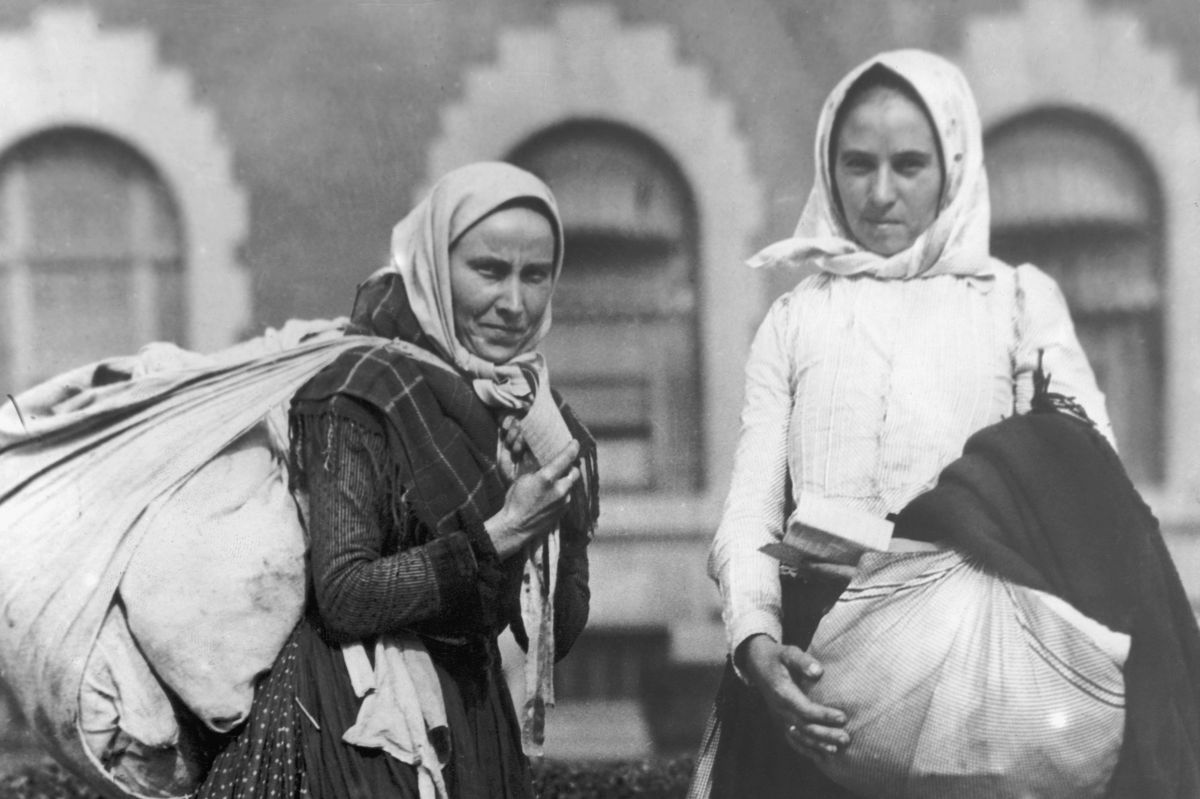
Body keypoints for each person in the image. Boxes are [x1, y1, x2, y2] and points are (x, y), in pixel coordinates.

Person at [691, 49, 1114, 797]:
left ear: (952, 164)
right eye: (858, 164)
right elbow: (751, 506)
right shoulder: (797, 317)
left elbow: (1083, 484)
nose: (880, 194)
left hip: (963, 668)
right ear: (830, 164)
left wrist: (924, 544)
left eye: (909, 165)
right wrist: (756, 644)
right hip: (806, 666)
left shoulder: (1014, 302)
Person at [198, 162, 598, 799]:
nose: (515, 303)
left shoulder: (541, 414)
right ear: (437, 266)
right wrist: (504, 529)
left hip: (472, 718)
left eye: (536, 275)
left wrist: (560, 529)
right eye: (489, 270)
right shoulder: (360, 388)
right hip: (354, 722)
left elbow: (557, 634)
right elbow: (345, 593)